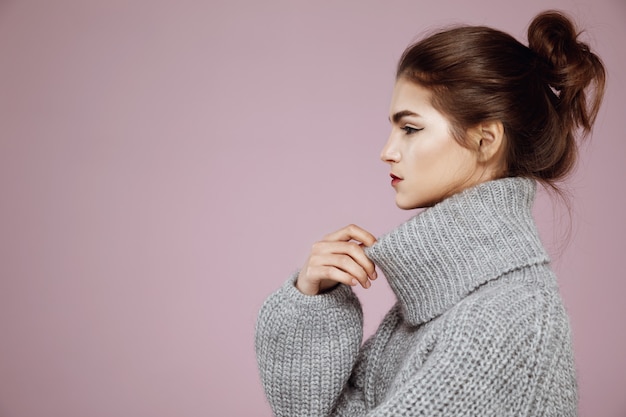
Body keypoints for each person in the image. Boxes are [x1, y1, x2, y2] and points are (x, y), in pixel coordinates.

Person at [255, 10, 605, 417]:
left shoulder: (506, 321)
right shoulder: (440, 302)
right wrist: (311, 299)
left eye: (410, 128)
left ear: (484, 140)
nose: (387, 151)